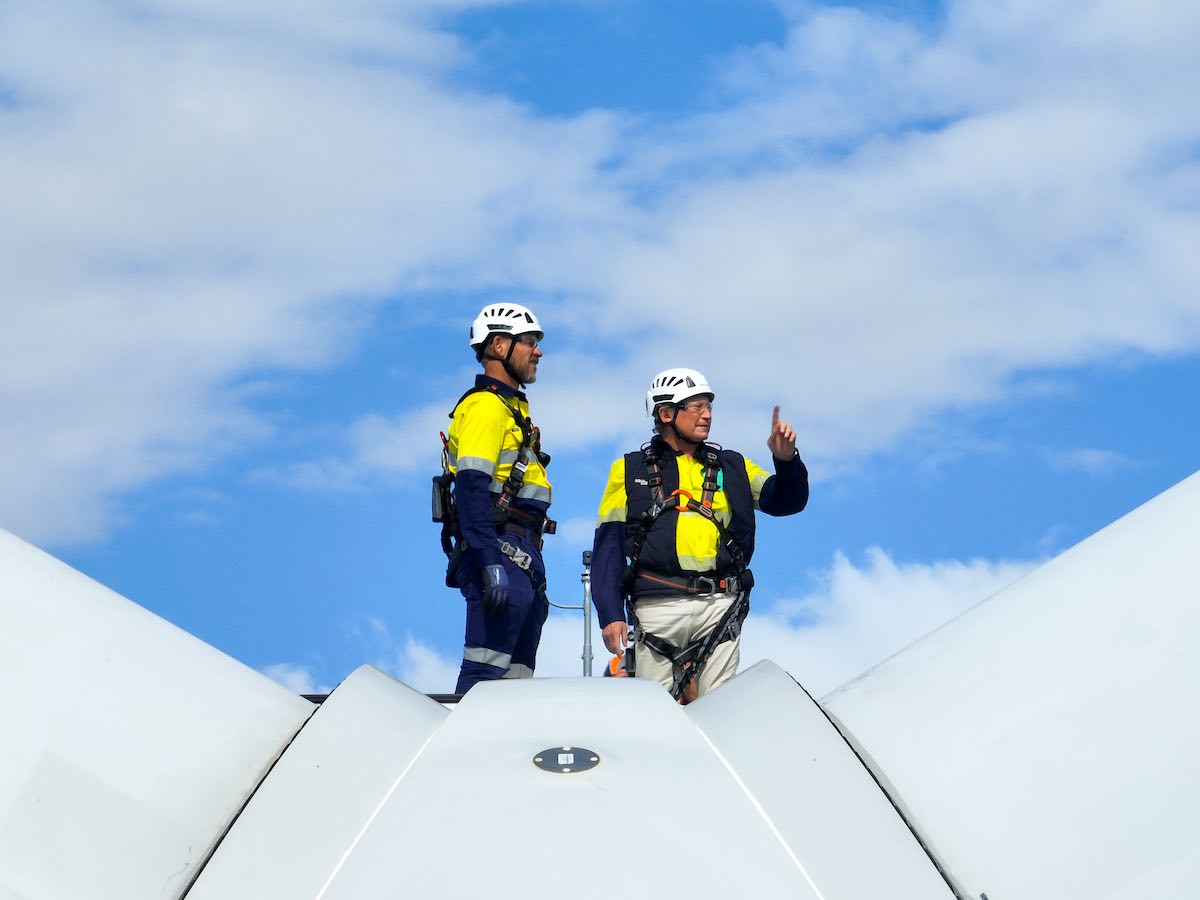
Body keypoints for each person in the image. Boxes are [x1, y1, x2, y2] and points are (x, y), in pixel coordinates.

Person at [590, 368, 808, 702]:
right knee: (656, 715)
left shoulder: (733, 466)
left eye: (708, 406)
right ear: (666, 414)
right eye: (696, 407)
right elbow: (609, 545)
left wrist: (786, 460)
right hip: (656, 609)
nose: (706, 415)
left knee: (719, 713)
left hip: (719, 607)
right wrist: (610, 614)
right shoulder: (628, 470)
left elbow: (786, 501)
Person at [445, 302, 554, 693]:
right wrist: (489, 561)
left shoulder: (511, 411)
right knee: (483, 675)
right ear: (498, 347)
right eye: (529, 341)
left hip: (523, 557)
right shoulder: (486, 407)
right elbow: (471, 489)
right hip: (500, 554)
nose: (537, 351)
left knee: (515, 685)